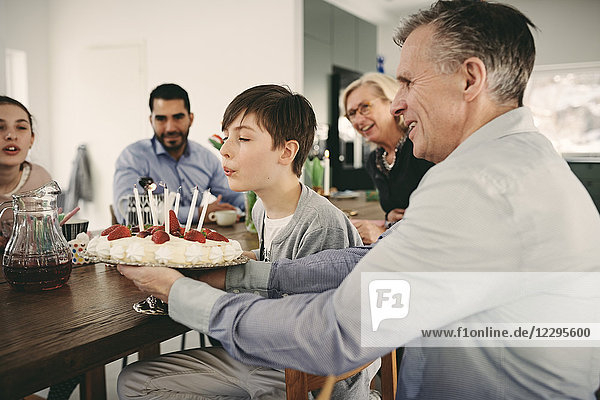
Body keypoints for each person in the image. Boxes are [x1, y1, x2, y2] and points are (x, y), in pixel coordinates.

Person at [118, 1, 600, 399]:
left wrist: (183, 295)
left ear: (470, 79)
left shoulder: (479, 184)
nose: (397, 103)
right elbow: (367, 261)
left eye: (409, 82)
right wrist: (236, 274)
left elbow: (336, 333)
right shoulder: (515, 163)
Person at [118, 85, 370, 399]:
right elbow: (273, 266)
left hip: (301, 374)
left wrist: (193, 291)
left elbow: (311, 335)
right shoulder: (262, 208)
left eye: (244, 138)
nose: (224, 150)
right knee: (134, 381)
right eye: (226, 137)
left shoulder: (319, 223)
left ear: (286, 152)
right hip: (264, 358)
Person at [113, 83, 244, 225]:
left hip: (197, 244)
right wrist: (198, 213)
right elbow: (128, 213)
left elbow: (235, 197)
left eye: (178, 117)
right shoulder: (133, 157)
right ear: (151, 120)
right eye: (161, 119)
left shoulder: (206, 158)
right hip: (148, 244)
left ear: (191, 119)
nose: (170, 128)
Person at [342, 73, 434, 244]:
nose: (358, 119)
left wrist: (384, 234)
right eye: (352, 113)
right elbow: (395, 209)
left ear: (391, 101)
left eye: (365, 107)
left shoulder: (421, 146)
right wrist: (389, 216)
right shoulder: (374, 161)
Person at [0, 96, 51, 249]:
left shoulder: (41, 180)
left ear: (31, 140)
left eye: (21, 128)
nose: (11, 135)